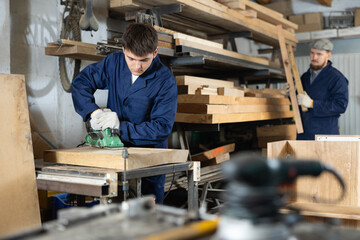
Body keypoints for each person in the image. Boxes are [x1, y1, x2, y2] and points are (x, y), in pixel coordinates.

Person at [71, 23, 178, 203]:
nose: (137, 66)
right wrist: (93, 113)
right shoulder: (114, 62)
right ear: (123, 50)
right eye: (131, 58)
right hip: (114, 153)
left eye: (144, 60)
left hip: (149, 159)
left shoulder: (165, 81)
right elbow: (81, 83)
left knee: (147, 217)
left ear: (155, 52)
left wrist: (121, 127)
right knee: (114, 210)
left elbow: (161, 127)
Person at [296, 39, 348, 140]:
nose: (314, 57)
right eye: (312, 53)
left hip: (325, 135)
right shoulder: (304, 77)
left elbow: (341, 105)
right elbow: (298, 102)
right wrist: (289, 94)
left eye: (319, 54)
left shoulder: (336, 78)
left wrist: (312, 104)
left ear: (328, 55)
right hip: (304, 134)